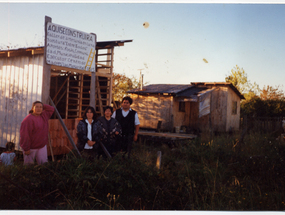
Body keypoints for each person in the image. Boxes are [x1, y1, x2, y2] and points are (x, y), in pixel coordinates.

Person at [20, 101, 55, 165]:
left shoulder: (44, 116)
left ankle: (42, 175)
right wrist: (26, 148)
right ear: (32, 108)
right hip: (31, 148)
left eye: (40, 107)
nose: (39, 109)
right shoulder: (28, 120)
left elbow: (51, 109)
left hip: (42, 146)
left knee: (43, 164)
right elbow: (25, 135)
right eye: (37, 107)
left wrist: (42, 105)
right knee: (29, 166)